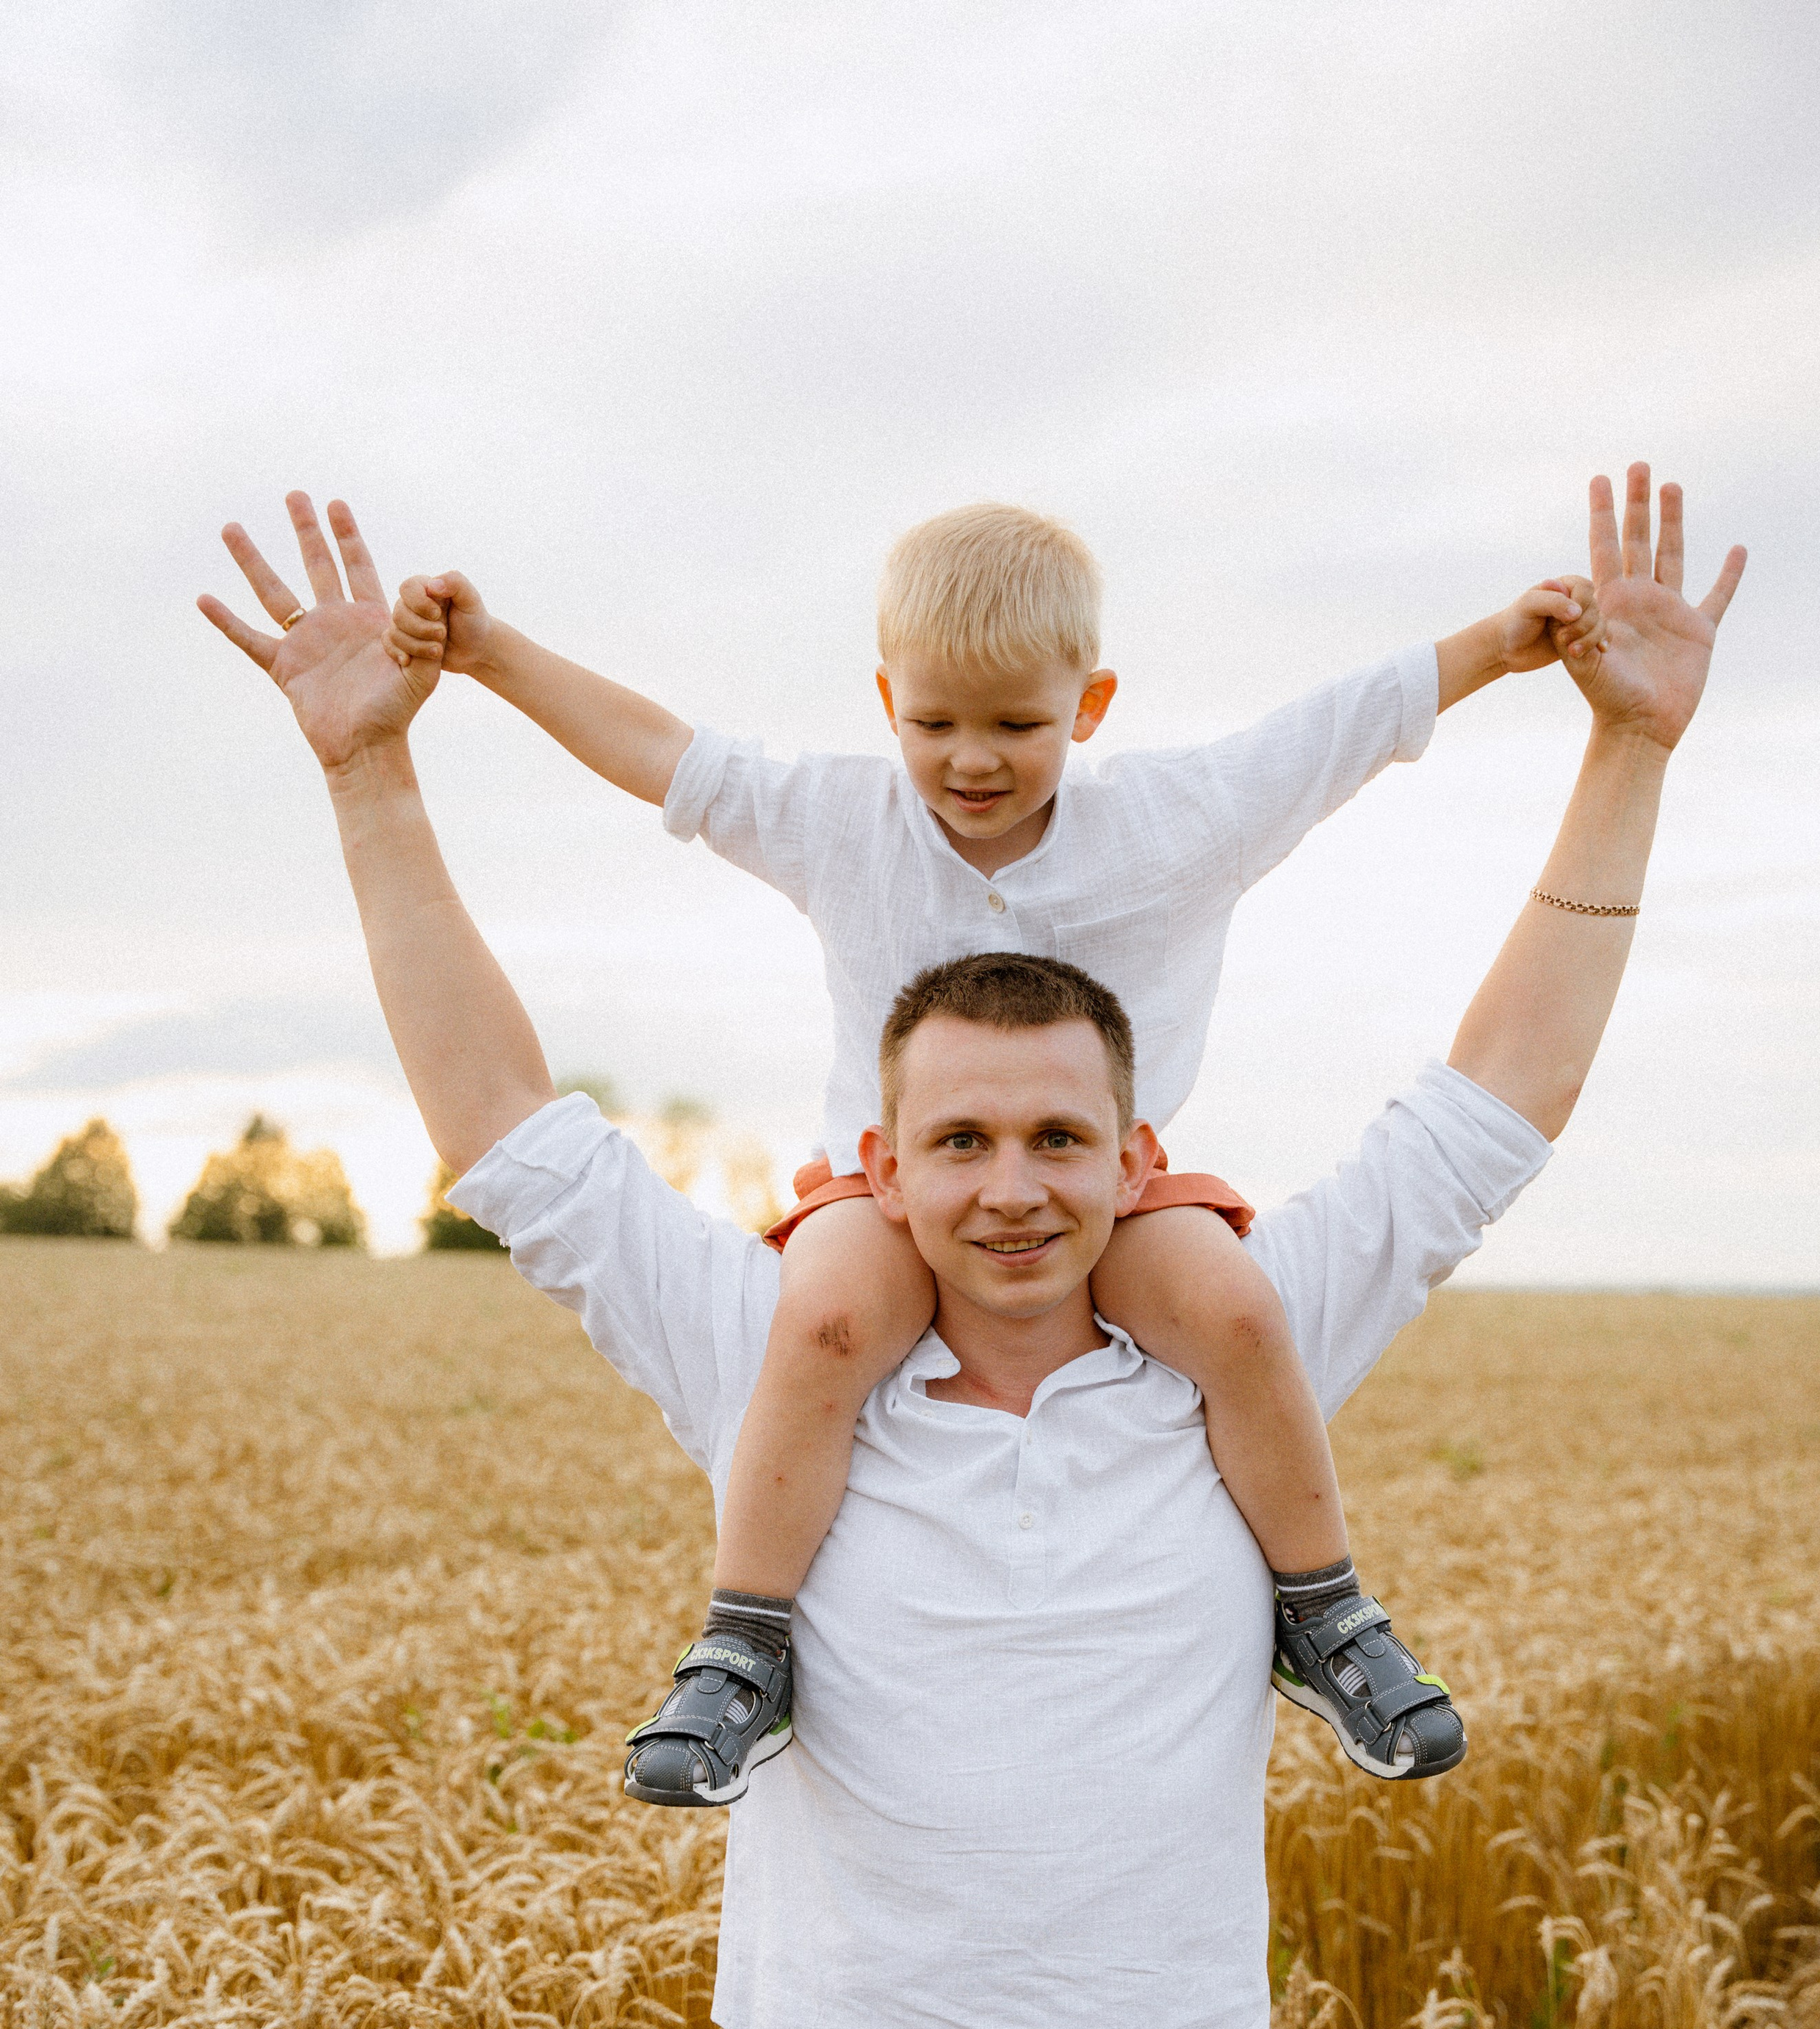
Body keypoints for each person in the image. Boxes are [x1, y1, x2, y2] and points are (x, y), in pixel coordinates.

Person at [199, 466, 1742, 2029]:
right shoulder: (771, 1353)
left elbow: (1495, 1101)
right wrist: (377, 765)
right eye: (958, 1146)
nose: (1010, 1184)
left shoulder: (1254, 1341)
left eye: (1057, 1138)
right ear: (878, 1172)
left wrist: (1622, 743)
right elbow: (509, 1122)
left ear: (1139, 1157)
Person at [380, 507, 1612, 1805]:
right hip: (883, 1188)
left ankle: (1324, 1613)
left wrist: (1497, 646)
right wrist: (490, 652)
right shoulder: (839, 820)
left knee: (1245, 1313)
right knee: (825, 1325)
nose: (972, 762)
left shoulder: (1178, 818)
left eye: (1017, 727)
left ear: (1090, 705)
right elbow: (664, 757)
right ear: (886, 702)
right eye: (934, 725)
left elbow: (1339, 730)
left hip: (1117, 1195)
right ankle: (744, 1643)